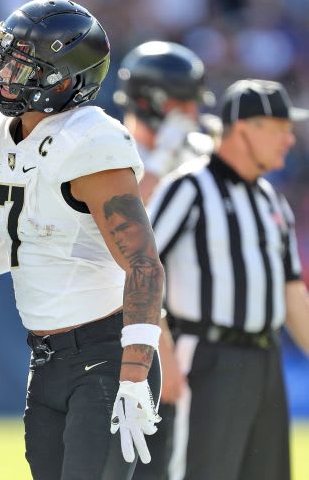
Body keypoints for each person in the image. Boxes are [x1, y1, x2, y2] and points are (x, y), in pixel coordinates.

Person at [0, 0, 164, 479]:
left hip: (106, 356)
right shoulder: (2, 135)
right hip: (46, 362)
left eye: (19, 64)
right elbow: (23, 241)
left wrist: (133, 375)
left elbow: (144, 264)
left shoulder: (91, 141)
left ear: (62, 80)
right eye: (4, 59)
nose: (2, 73)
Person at [147, 79, 309, 480]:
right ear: (244, 129)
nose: (290, 141)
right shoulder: (188, 187)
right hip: (206, 355)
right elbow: (141, 268)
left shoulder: (271, 199)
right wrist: (161, 352)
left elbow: (292, 293)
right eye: (279, 129)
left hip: (266, 360)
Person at [114, 40, 216, 480]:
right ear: (153, 102)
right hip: (126, 326)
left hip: (182, 328)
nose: (191, 113)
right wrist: (159, 162)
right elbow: (130, 235)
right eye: (182, 103)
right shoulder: (113, 146)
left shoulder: (190, 157)